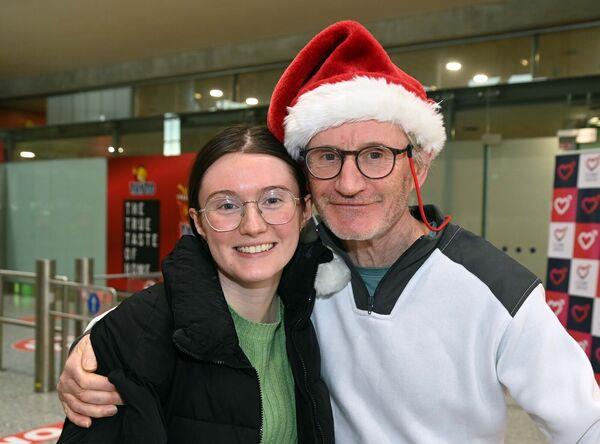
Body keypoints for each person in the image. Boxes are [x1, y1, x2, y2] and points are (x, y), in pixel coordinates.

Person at [58, 21, 600, 443]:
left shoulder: (492, 288)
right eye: (326, 157)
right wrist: (93, 344)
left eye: (374, 156)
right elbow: (196, 290)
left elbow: (583, 422)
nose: (349, 182)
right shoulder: (299, 262)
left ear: (421, 163)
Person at [57, 125, 337, 443]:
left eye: (273, 200)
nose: (253, 226)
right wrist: (101, 342)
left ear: (305, 210)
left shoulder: (315, 311)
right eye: (227, 205)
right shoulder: (135, 334)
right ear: (199, 223)